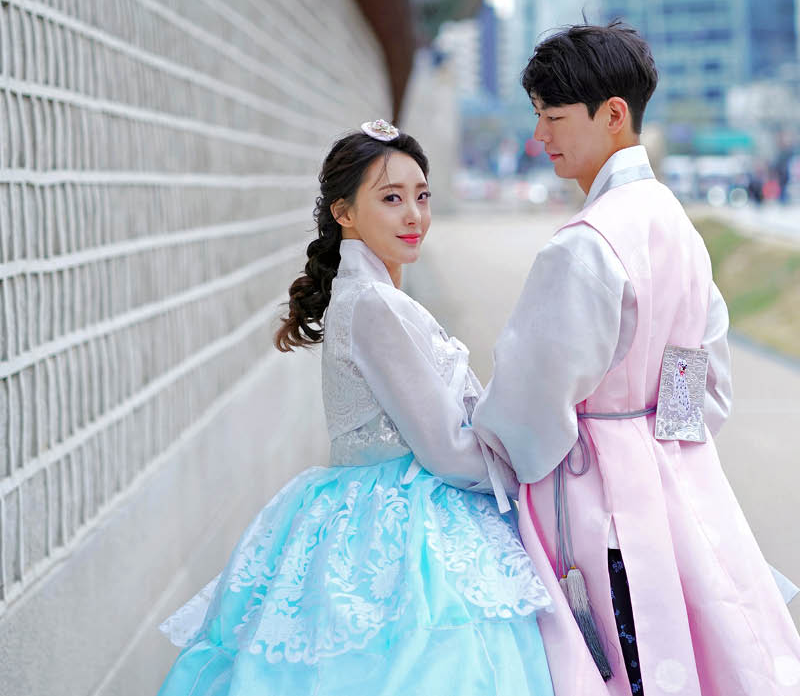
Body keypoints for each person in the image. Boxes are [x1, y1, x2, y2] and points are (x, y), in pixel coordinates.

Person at [473, 23, 800, 696]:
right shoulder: (675, 225)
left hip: (594, 503)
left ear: (613, 114)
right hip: (677, 490)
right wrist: (654, 439)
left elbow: (528, 404)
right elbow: (701, 387)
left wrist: (486, 446)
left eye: (553, 117)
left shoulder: (585, 244)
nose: (540, 135)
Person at [156, 122, 553, 696]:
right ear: (343, 212)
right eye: (391, 199)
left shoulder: (371, 296)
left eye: (422, 196)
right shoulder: (374, 305)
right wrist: (522, 477)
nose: (414, 215)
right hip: (404, 520)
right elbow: (444, 449)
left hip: (373, 507)